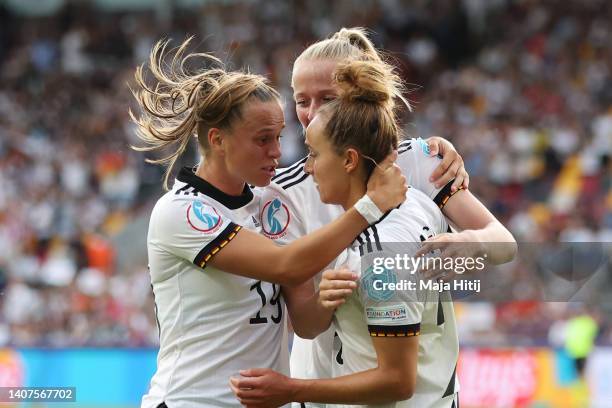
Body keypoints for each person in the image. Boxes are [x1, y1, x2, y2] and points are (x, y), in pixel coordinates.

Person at [130, 37, 407, 408]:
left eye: (278, 137)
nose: (276, 152)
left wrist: (325, 300)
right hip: (194, 401)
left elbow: (306, 324)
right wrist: (369, 208)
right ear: (218, 140)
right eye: (262, 140)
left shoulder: (269, 206)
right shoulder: (181, 212)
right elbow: (285, 265)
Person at [257, 27, 517, 403]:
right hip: (328, 395)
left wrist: (470, 242)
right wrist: (324, 299)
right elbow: (307, 325)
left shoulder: (422, 161)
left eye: (327, 99)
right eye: (301, 100)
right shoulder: (283, 194)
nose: (311, 115)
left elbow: (504, 243)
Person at [231, 55, 459, 408]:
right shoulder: (418, 201)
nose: (308, 166)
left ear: (349, 159)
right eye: (302, 100)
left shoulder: (380, 250)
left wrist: (290, 390)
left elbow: (396, 380)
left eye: (314, 154)